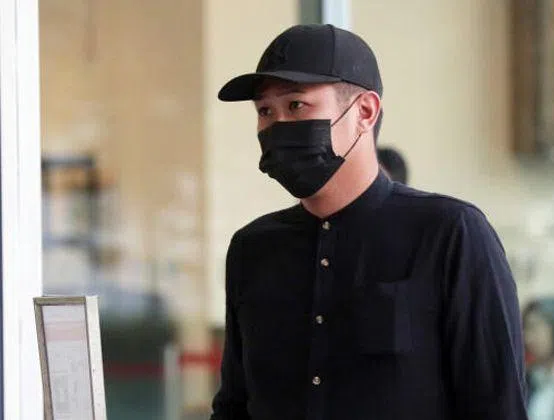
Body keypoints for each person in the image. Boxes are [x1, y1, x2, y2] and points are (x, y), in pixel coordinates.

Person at [210, 23, 527, 420]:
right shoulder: (253, 249)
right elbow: (235, 405)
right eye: (264, 111)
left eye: (296, 105)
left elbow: (497, 406)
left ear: (364, 111)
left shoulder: (450, 234)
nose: (277, 127)